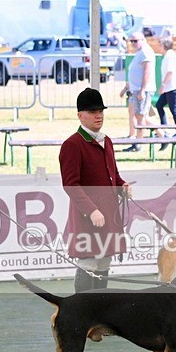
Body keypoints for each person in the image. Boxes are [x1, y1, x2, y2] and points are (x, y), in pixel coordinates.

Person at [60, 88, 131, 293]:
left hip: (109, 214)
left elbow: (113, 175)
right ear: (80, 115)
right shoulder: (72, 144)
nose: (98, 115)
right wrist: (91, 210)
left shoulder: (106, 141)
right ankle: (83, 314)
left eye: (100, 110)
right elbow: (70, 184)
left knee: (104, 262)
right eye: (92, 112)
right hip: (88, 217)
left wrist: (122, 187)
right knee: (89, 262)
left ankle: (99, 313)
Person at [118, 31, 163, 152]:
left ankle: (141, 142)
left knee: (140, 116)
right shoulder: (140, 53)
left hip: (142, 90)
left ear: (143, 40)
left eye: (135, 41)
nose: (132, 43)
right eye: (131, 41)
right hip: (136, 90)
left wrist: (142, 90)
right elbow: (135, 74)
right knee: (138, 115)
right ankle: (161, 135)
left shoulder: (146, 52)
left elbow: (147, 72)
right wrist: (126, 88)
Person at [155, 36, 176, 151]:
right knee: (159, 105)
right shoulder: (167, 55)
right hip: (168, 87)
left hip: (172, 87)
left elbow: (170, 71)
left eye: (160, 45)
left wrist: (163, 85)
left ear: (164, 45)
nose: (159, 47)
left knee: (173, 109)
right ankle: (164, 127)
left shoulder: (170, 55)